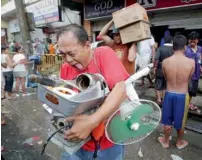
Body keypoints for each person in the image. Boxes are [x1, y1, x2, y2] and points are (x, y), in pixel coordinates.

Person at [58, 24, 129, 160]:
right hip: (76, 142)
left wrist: (92, 121)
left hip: (107, 142)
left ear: (87, 46)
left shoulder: (102, 54)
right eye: (62, 54)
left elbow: (120, 91)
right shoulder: (66, 68)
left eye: (72, 54)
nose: (68, 60)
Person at [158, 35, 195, 149]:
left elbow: (165, 77)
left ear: (173, 47)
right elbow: (189, 78)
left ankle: (165, 142)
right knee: (181, 121)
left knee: (167, 120)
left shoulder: (165, 62)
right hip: (182, 95)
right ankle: (179, 142)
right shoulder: (191, 62)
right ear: (185, 47)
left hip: (169, 93)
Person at [185, 31, 202, 111]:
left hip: (197, 73)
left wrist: (201, 66)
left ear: (197, 40)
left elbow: (200, 59)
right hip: (188, 74)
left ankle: (188, 104)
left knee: (192, 91)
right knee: (188, 90)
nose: (192, 43)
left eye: (194, 41)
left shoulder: (200, 49)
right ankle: (185, 105)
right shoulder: (186, 49)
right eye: (190, 41)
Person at [154, 35, 174, 105]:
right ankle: (164, 98)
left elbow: (156, 59)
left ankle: (159, 99)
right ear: (171, 41)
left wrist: (155, 67)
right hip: (170, 70)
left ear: (164, 40)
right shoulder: (174, 49)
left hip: (160, 69)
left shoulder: (160, 48)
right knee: (166, 85)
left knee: (158, 85)